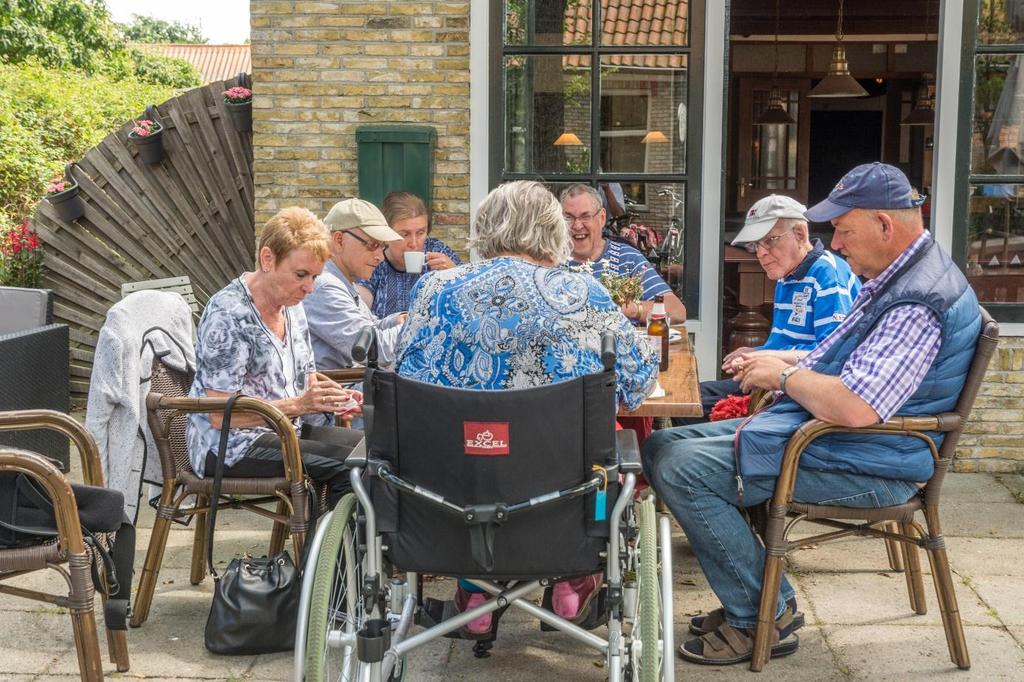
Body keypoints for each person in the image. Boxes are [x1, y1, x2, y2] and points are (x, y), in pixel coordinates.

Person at [641, 162, 982, 666]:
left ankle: (762, 613)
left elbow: (856, 406)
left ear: (884, 225)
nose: (837, 244)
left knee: (683, 469)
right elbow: (842, 359)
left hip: (870, 463)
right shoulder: (898, 277)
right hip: (833, 440)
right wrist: (782, 362)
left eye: (843, 231)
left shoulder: (917, 300)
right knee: (661, 444)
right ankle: (756, 595)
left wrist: (779, 377)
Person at [397, 180, 658, 637]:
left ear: (485, 230)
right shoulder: (581, 293)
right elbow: (635, 384)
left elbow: (405, 374)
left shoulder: (432, 288)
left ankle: (474, 589)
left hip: (447, 498)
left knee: (474, 446)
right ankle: (571, 581)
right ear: (551, 231)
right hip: (557, 506)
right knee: (595, 454)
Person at [186, 207, 365, 508]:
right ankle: (324, 555)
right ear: (267, 259)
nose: (309, 287)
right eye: (301, 275)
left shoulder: (292, 306)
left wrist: (330, 399)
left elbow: (303, 377)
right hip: (228, 447)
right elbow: (220, 414)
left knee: (371, 454)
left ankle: (352, 551)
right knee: (347, 468)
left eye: (315, 277)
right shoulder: (229, 315)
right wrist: (299, 404)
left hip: (282, 430)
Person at [680, 194, 861, 423]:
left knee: (692, 406)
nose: (760, 253)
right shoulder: (787, 276)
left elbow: (832, 356)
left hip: (799, 394)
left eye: (770, 240)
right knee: (689, 398)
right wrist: (756, 353)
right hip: (776, 383)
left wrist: (767, 356)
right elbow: (788, 344)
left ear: (800, 234)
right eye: (756, 244)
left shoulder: (828, 273)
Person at [560, 183, 687, 322]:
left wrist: (628, 308)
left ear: (602, 218)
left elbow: (676, 311)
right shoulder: (549, 261)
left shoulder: (627, 258)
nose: (577, 225)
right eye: (569, 218)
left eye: (586, 216)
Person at [303, 198, 406, 368]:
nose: (380, 256)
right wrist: (419, 328)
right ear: (339, 240)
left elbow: (370, 328)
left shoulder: (341, 279)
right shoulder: (325, 286)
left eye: (382, 246)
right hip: (340, 389)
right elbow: (374, 350)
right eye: (372, 245)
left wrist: (399, 320)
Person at [357, 191, 462, 317]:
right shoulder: (376, 259)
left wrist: (455, 274)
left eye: (420, 233)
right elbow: (360, 303)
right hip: (387, 335)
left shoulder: (437, 250)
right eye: (405, 234)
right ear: (387, 234)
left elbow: (471, 295)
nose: (414, 243)